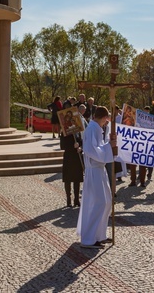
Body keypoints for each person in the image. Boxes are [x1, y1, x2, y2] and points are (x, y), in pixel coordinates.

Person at [76, 106, 116, 249]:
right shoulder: (92, 129)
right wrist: (108, 147)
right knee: (99, 202)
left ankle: (99, 235)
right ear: (104, 117)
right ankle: (88, 239)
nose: (107, 122)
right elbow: (91, 150)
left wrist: (108, 145)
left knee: (107, 202)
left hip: (100, 169)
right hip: (94, 170)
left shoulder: (96, 128)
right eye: (107, 119)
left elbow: (98, 147)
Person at [60, 126, 83, 207]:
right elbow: (62, 146)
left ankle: (76, 199)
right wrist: (72, 146)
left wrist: (80, 147)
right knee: (68, 179)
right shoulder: (64, 132)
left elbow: (81, 141)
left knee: (77, 179)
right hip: (68, 157)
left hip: (76, 157)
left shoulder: (77, 131)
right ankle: (68, 199)